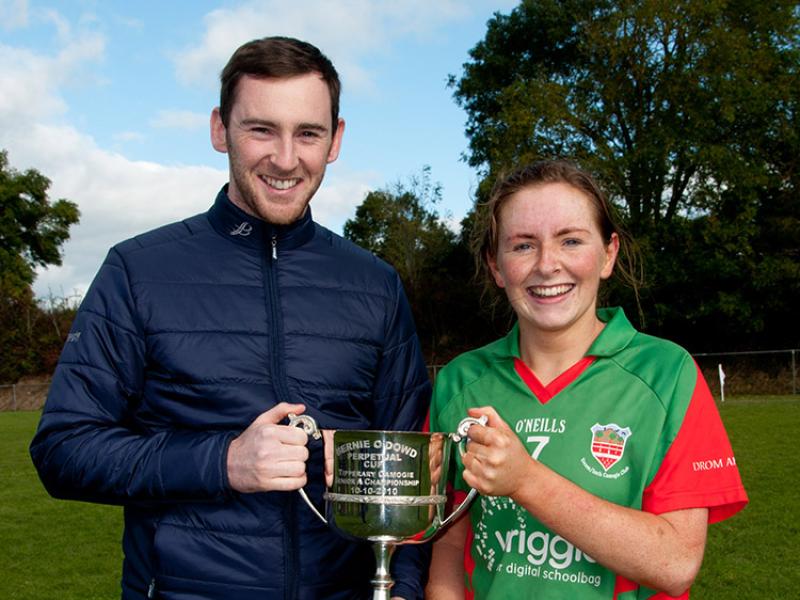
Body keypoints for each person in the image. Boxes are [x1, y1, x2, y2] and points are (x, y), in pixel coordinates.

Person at [30, 36, 431, 600]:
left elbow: (412, 467)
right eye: (261, 129)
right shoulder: (137, 270)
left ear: (336, 139)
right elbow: (64, 450)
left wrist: (403, 592)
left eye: (308, 133)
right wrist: (225, 461)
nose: (286, 158)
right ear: (220, 129)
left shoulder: (375, 284)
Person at [426, 160, 748, 599]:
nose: (546, 265)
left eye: (571, 240)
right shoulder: (460, 381)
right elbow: (449, 545)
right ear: (496, 265)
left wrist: (527, 481)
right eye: (522, 246)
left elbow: (676, 563)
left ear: (608, 254)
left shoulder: (667, 373)